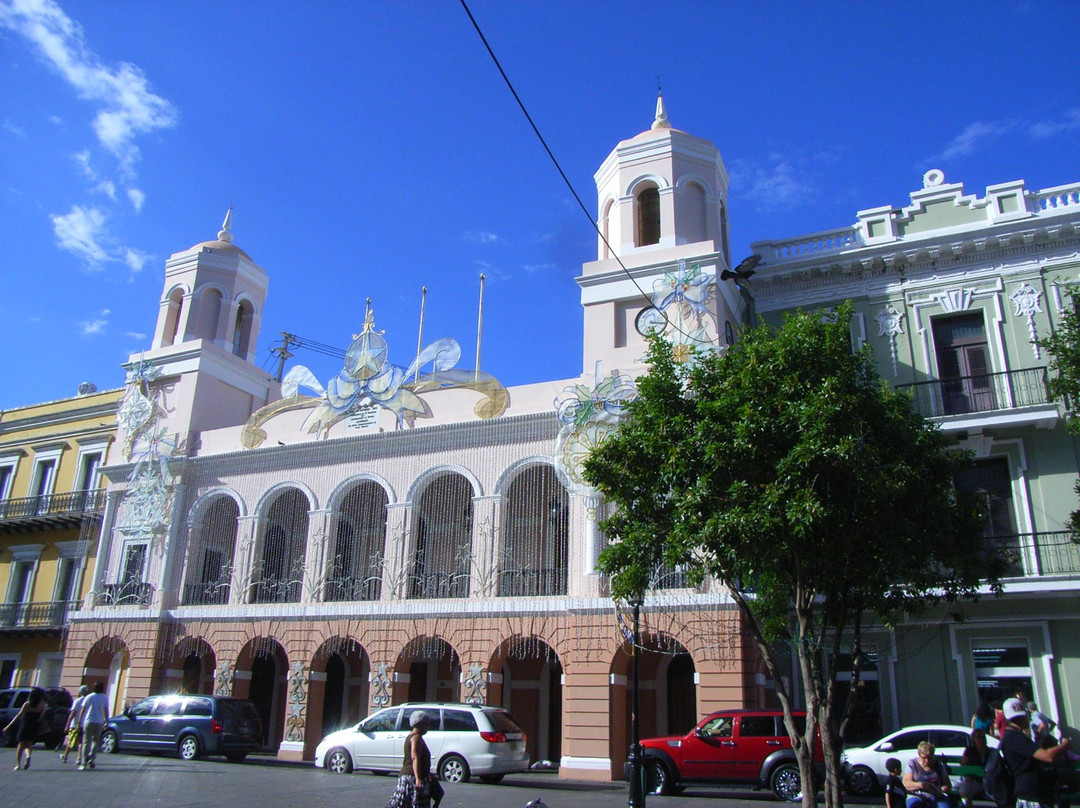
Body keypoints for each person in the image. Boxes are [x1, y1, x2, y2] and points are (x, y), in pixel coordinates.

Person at [999, 696, 1072, 808]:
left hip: (1032, 793)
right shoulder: (1015, 738)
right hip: (1030, 796)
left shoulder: (1012, 737)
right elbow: (1048, 756)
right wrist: (1065, 745)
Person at [385, 710, 437, 808]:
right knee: (413, 804)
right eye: (427, 724)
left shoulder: (411, 736)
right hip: (411, 778)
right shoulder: (416, 738)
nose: (428, 727)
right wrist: (418, 778)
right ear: (421, 724)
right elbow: (414, 757)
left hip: (411, 776)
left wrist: (427, 773)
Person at [3, 687, 46, 771]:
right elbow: (42, 716)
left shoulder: (27, 704)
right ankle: (28, 756)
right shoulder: (42, 704)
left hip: (25, 725)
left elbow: (18, 715)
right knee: (28, 745)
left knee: (20, 745)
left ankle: (18, 765)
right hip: (33, 726)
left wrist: (8, 726)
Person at [903, 741, 953, 808]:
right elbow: (906, 782)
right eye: (924, 758)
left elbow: (948, 785)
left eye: (929, 758)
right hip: (917, 794)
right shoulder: (913, 763)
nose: (927, 761)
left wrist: (943, 789)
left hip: (936, 794)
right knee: (913, 805)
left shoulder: (938, 765)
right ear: (919, 754)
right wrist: (921, 785)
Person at [77, 681, 109, 771]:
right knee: (96, 741)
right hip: (99, 722)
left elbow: (83, 709)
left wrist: (79, 721)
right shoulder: (104, 698)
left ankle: (83, 763)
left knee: (86, 742)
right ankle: (91, 759)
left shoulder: (89, 696)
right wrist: (106, 721)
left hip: (88, 721)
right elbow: (106, 710)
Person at [960, 729, 990, 807]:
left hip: (989, 781)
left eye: (983, 737)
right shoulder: (969, 751)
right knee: (964, 788)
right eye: (978, 737)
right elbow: (963, 765)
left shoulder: (990, 751)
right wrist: (967, 776)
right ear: (974, 739)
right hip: (975, 780)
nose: (981, 739)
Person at [60, 684, 90, 763]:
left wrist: (67, 724)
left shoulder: (77, 701)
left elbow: (72, 713)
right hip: (85, 724)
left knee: (71, 741)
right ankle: (79, 758)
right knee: (81, 742)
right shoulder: (89, 700)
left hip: (75, 724)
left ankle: (65, 756)